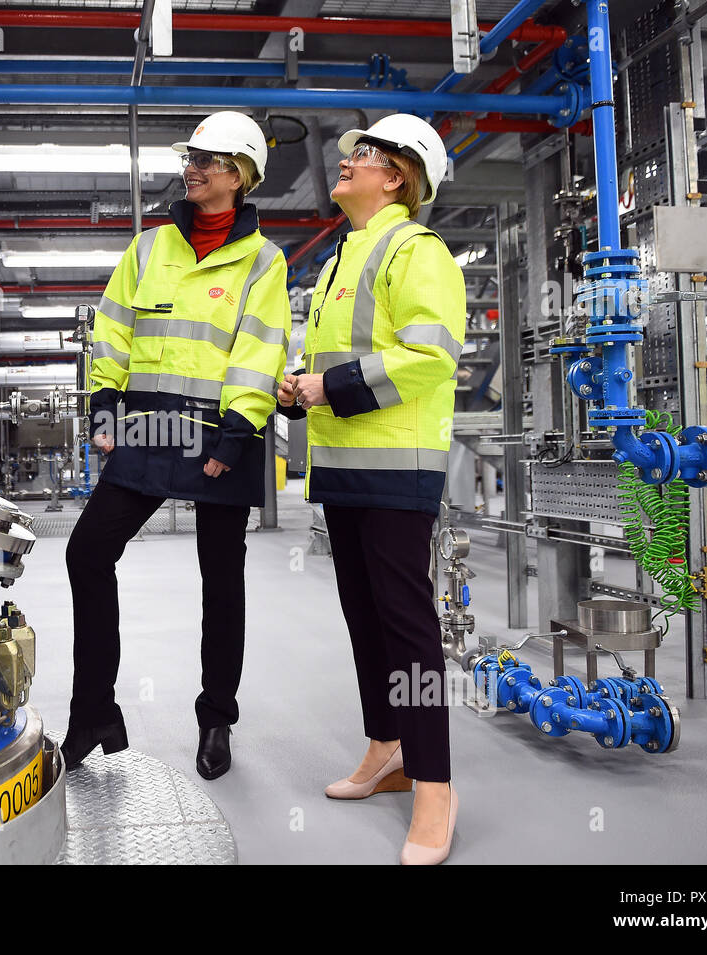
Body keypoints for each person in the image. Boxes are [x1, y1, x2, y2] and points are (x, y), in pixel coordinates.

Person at [62, 111, 291, 781]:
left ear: (241, 175)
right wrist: (105, 402)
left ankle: (216, 716)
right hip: (147, 424)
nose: (193, 168)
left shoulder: (264, 261)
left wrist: (239, 429)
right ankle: (94, 712)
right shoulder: (149, 247)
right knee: (87, 551)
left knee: (221, 579)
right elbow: (114, 326)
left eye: (209, 161)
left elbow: (259, 347)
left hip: (221, 431)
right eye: (192, 157)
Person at [277, 114, 465, 864]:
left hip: (397, 467)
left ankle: (436, 783)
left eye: (362, 155)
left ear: (396, 175)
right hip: (345, 467)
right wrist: (300, 387)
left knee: (409, 628)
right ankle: (386, 747)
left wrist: (332, 383)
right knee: (366, 619)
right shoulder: (340, 261)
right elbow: (333, 357)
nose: (345, 163)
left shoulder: (417, 250)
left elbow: (431, 355)